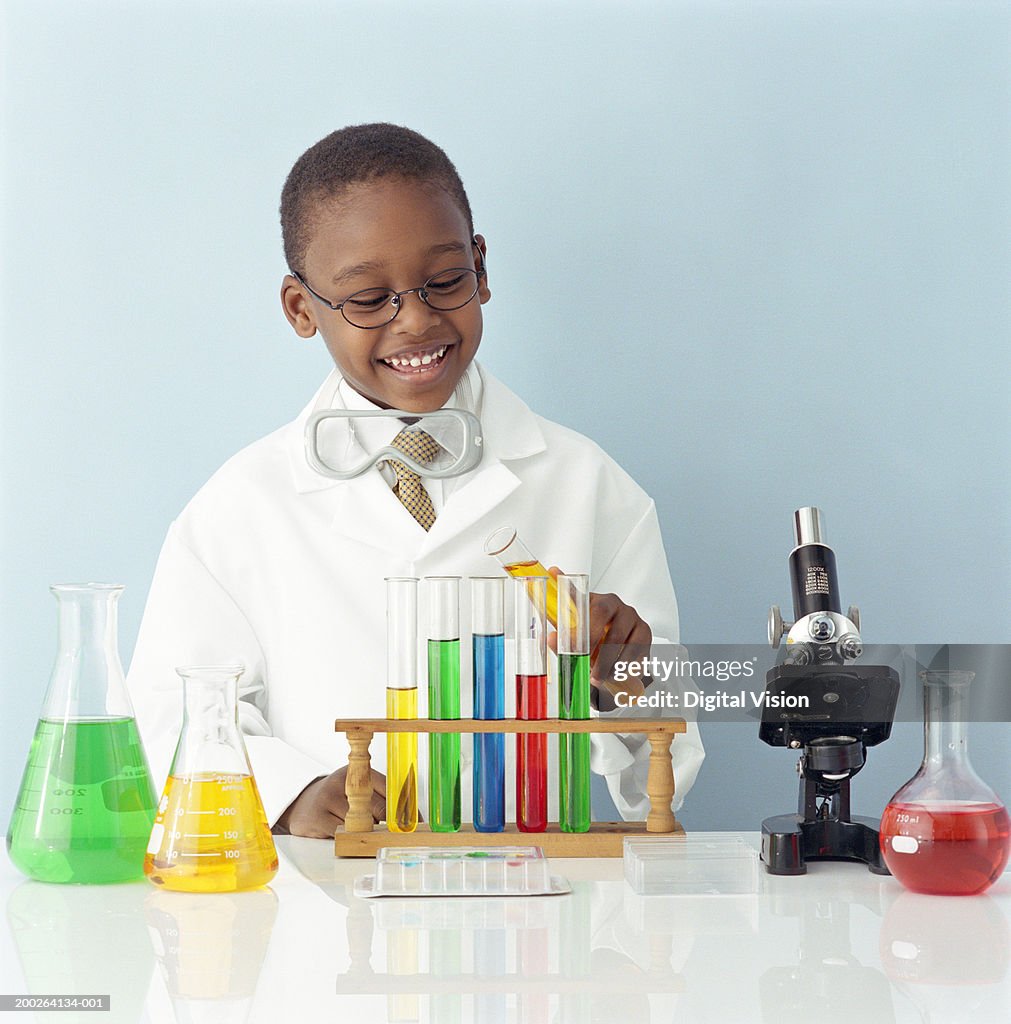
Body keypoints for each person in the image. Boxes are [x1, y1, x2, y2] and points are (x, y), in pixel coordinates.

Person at [127, 123, 704, 837]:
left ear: (481, 268)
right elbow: (171, 712)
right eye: (369, 299)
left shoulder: (587, 484)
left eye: (445, 281)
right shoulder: (241, 505)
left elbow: (671, 766)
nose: (417, 320)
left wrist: (621, 679)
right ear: (301, 309)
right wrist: (293, 794)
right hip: (326, 909)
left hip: (535, 901)